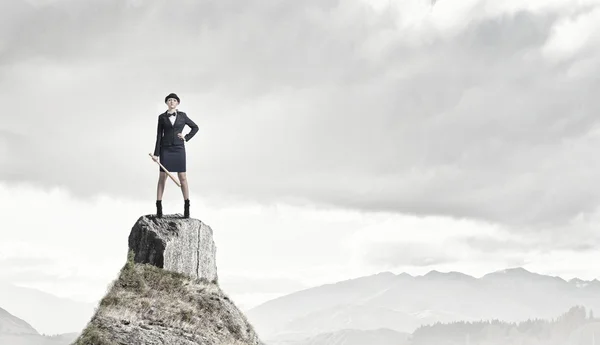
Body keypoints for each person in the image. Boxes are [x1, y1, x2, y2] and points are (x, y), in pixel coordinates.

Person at [152, 93, 199, 218]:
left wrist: (186, 137)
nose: (171, 102)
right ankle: (159, 208)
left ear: (177, 102)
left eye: (174, 100)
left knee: (182, 177)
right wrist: (156, 153)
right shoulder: (161, 117)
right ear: (166, 103)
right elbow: (158, 136)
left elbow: (195, 127)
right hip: (165, 149)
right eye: (169, 100)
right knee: (162, 177)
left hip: (179, 148)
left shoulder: (183, 116)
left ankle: (187, 208)